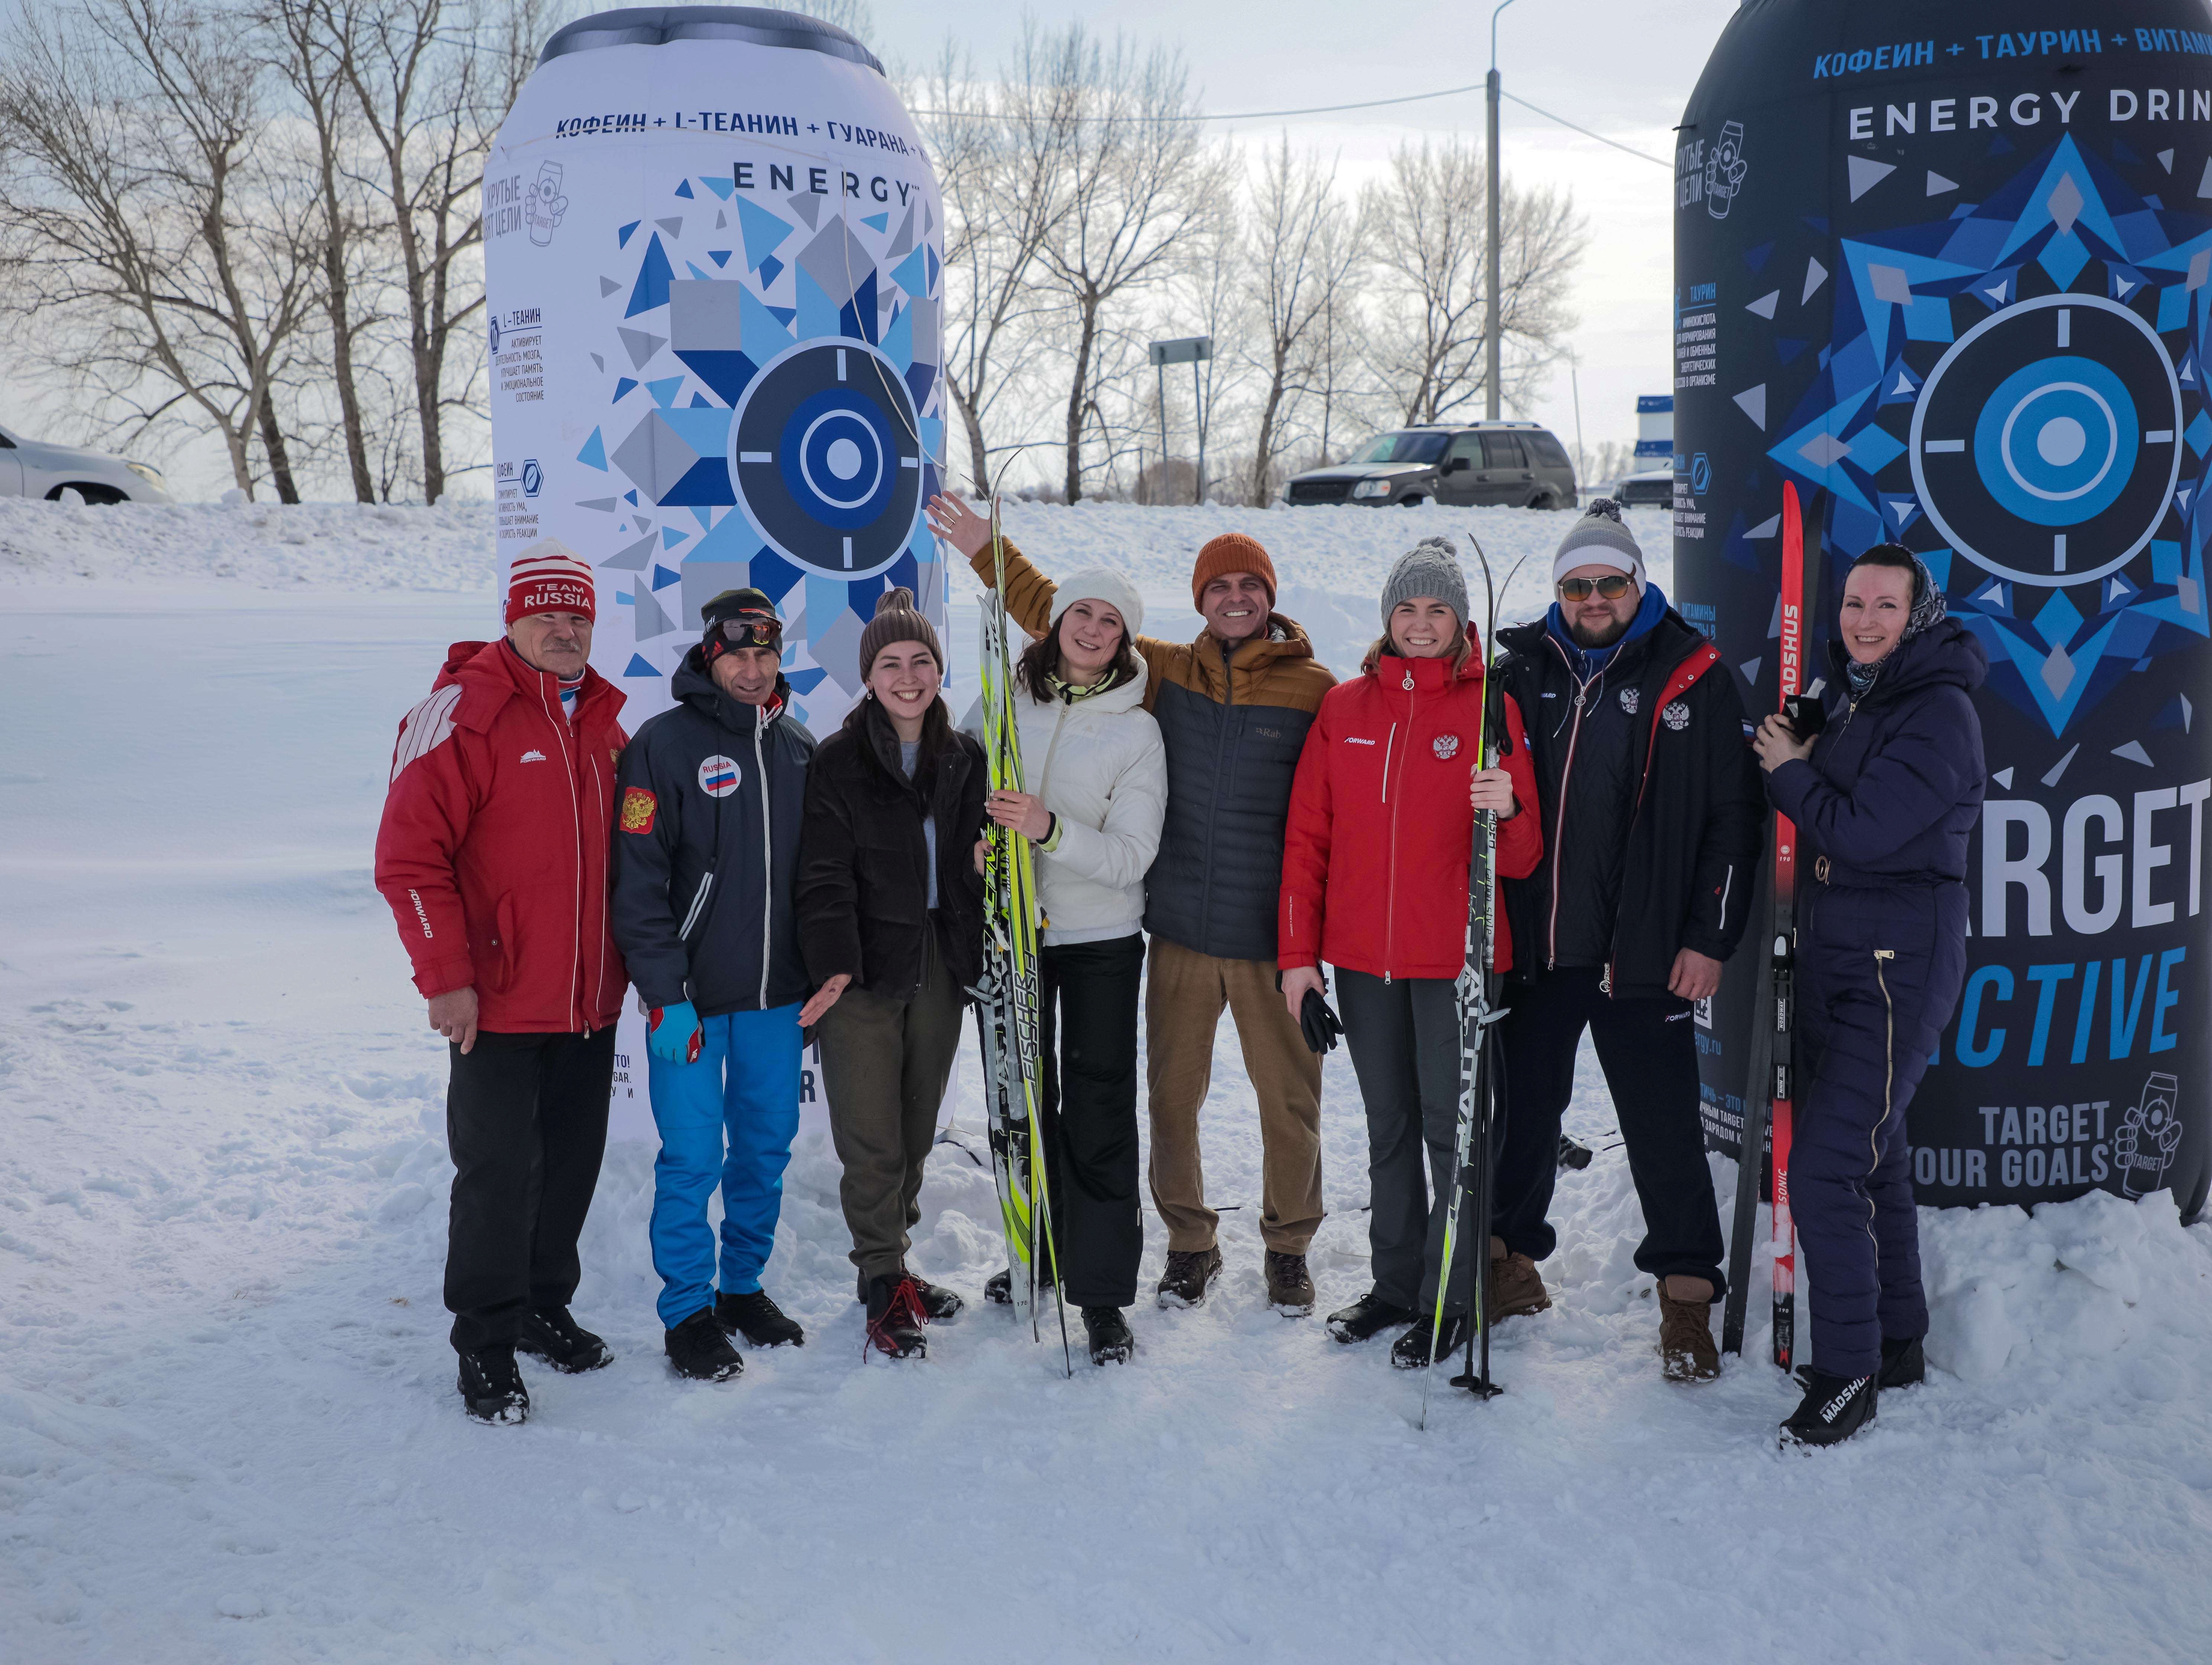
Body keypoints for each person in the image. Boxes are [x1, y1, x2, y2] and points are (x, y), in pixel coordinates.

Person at [926, 493, 1336, 1315]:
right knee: (1170, 1098)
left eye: (1249, 586)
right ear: (1200, 600)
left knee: (1289, 1100)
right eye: (1219, 587)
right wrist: (986, 551)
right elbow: (1069, 618)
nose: (1235, 599)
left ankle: (1288, 1247)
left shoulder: (1316, 687)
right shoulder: (1168, 671)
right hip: (1179, 924)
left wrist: (1315, 942)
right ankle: (1191, 1242)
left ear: (1270, 596)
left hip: (1266, 933)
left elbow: (1341, 799)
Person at [1491, 501, 1765, 1383]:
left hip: (1645, 955)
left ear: (1637, 584)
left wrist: (1709, 938)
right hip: (1544, 945)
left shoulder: (1694, 674)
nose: (1594, 597)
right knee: (1524, 1114)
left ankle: (1687, 1299)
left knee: (1662, 1129)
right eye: (1578, 585)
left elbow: (1733, 821)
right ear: (1560, 593)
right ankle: (1508, 1268)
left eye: (1610, 582)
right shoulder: (1521, 670)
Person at [373, 541, 628, 1425]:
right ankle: (484, 1341)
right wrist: (446, 979)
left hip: (590, 999)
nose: (565, 630)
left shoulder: (603, 719)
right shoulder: (459, 714)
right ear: (512, 620)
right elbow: (408, 860)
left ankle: (540, 1305)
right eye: (547, 615)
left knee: (569, 1165)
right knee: (495, 1172)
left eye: (579, 617)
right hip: (497, 999)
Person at [1279, 538, 1544, 1368]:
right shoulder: (1346, 708)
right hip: (1362, 962)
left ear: (1462, 621)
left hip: (1457, 961)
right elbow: (1307, 839)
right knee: (1388, 1128)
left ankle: (1451, 1295)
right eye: (1408, 608)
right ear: (1387, 617)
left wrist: (1509, 808)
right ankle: (1395, 1285)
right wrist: (1298, 957)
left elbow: (1526, 856)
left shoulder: (1492, 706)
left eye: (1438, 610)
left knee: (1451, 1133)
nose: (1422, 624)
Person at [1753, 543, 1984, 1447]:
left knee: (1824, 1168)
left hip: (1897, 966)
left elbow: (1867, 830)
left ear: (1917, 612)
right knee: (1876, 1154)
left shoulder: (1940, 712)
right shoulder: (1861, 691)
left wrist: (1789, 768)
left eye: (1885, 605)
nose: (1865, 620)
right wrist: (1807, 732)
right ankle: (1897, 1338)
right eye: (1854, 603)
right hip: (1843, 956)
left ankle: (1848, 1376)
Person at [610, 588, 816, 1384]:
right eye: (738, 655)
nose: (753, 668)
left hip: (775, 1000)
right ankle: (688, 1310)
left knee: (763, 1151)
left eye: (766, 654)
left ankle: (742, 1288)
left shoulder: (799, 748)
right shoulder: (661, 746)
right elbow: (637, 883)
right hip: (690, 1004)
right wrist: (666, 991)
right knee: (694, 1157)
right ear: (709, 656)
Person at [963, 570, 1167, 1366]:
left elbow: (1130, 857)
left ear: (1125, 640)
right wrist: (972, 844)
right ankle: (1039, 1246)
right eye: (1080, 611)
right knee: (1024, 1102)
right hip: (1011, 936)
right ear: (1054, 622)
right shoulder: (1003, 700)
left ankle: (1103, 1294)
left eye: (1110, 620)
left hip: (1098, 944)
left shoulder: (1135, 732)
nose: (1091, 627)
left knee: (1098, 1114)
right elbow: (957, 793)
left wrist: (1048, 829)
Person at [796, 588, 987, 1359]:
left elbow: (977, 865)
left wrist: (980, 869)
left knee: (913, 1132)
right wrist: (836, 965)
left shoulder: (965, 756)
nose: (908, 676)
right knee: (871, 1134)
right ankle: (881, 1277)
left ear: (939, 669)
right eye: (890, 664)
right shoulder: (840, 760)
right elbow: (822, 874)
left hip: (938, 962)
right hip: (865, 971)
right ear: (868, 678)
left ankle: (895, 1261)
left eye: (921, 661)